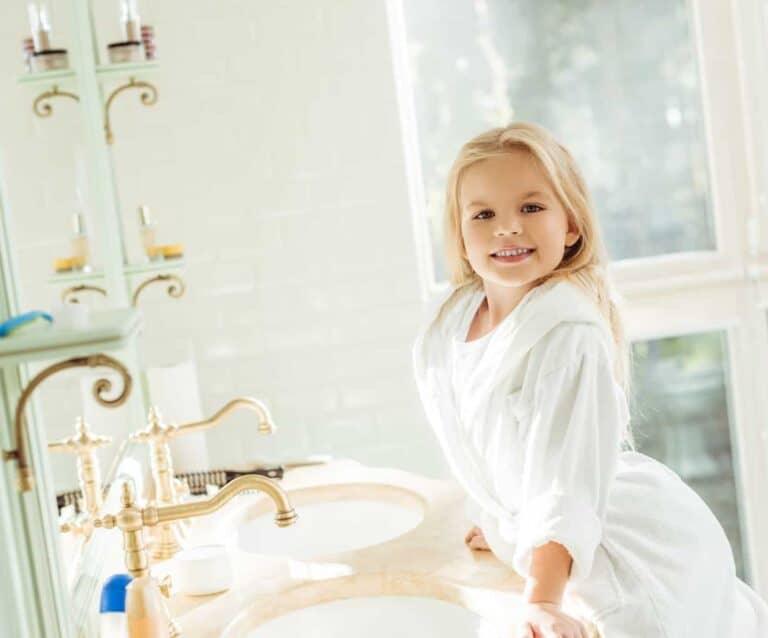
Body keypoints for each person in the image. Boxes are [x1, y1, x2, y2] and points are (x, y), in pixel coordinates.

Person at [411, 121, 768, 637]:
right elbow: (486, 439)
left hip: (621, 546)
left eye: (531, 208)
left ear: (571, 226)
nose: (507, 227)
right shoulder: (453, 324)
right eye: (483, 214)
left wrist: (542, 600)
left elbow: (565, 486)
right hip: (551, 534)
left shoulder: (567, 336)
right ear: (461, 235)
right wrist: (501, 517)